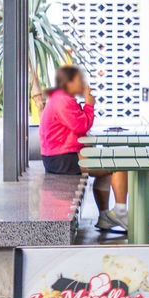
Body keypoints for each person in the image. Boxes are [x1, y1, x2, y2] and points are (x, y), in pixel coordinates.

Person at [38, 66, 129, 232]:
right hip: (62, 157)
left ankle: (104, 216)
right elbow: (80, 125)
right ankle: (121, 212)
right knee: (120, 164)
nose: (84, 84)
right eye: (80, 80)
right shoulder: (62, 100)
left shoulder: (61, 98)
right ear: (69, 82)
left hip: (60, 155)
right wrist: (89, 105)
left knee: (106, 169)